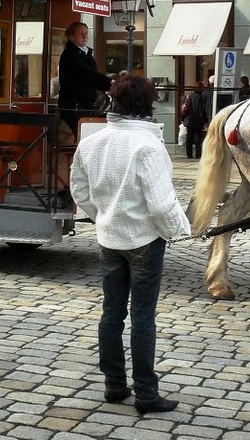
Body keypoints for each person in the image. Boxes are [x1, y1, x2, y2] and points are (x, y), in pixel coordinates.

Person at [70, 76, 190, 416]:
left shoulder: (93, 142)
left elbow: (79, 190)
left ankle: (114, 385)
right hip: (143, 241)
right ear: (147, 105)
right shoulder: (148, 147)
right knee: (142, 318)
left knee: (111, 314)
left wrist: (102, 216)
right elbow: (162, 205)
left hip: (110, 237)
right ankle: (147, 394)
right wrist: (180, 231)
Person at [58, 21, 111, 138]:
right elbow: (88, 75)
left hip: (87, 105)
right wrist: (111, 84)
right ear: (71, 37)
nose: (85, 36)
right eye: (81, 33)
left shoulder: (86, 54)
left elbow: (94, 77)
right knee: (86, 139)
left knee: (91, 137)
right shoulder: (70, 55)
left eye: (86, 33)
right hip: (75, 107)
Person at [181, 81, 209, 160]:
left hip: (189, 120)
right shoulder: (201, 97)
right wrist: (204, 121)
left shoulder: (188, 96)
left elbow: (184, 108)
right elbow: (201, 110)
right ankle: (198, 154)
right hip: (198, 121)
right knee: (198, 139)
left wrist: (182, 118)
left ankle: (189, 154)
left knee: (189, 138)